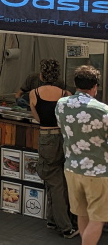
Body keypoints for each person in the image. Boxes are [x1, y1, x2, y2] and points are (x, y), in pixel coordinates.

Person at [56, 65, 108, 245]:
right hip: (97, 171)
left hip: (72, 167)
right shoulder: (103, 110)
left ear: (76, 84)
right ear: (95, 86)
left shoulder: (62, 104)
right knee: (98, 218)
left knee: (82, 213)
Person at [28, 59, 77, 238]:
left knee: (53, 181)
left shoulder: (33, 94)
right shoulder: (66, 94)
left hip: (46, 138)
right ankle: (60, 222)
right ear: (57, 76)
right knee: (59, 180)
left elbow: (38, 118)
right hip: (63, 138)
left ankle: (61, 224)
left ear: (41, 75)